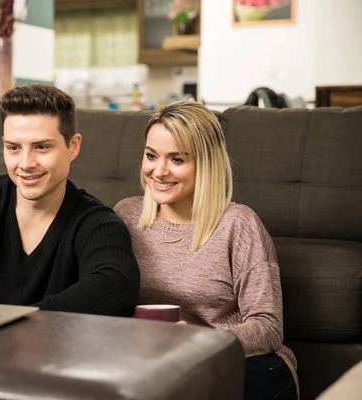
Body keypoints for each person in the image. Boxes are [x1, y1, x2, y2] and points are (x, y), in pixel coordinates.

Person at [113, 101, 299, 399]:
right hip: (156, 362)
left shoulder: (238, 224)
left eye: (177, 159)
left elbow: (268, 326)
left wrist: (198, 341)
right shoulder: (127, 215)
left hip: (242, 362)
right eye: (151, 156)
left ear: (206, 163)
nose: (158, 171)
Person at [0, 84, 140, 317]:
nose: (26, 163)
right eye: (14, 148)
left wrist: (10, 323)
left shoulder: (97, 224)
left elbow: (115, 286)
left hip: (52, 349)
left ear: (73, 147)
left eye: (41, 147)